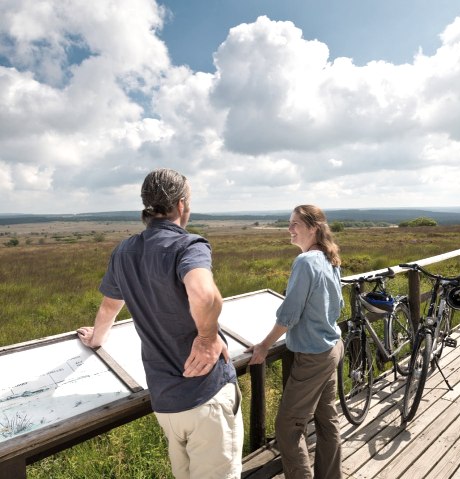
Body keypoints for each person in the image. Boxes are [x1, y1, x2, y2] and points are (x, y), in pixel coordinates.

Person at [77, 168, 243, 479]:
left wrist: (96, 339)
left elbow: (109, 307)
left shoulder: (123, 251)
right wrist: (207, 338)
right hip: (206, 394)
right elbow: (205, 296)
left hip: (166, 402)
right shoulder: (188, 246)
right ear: (181, 205)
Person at [246, 204, 344, 479]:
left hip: (313, 355)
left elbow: (289, 314)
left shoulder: (305, 262)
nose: (289, 229)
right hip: (332, 347)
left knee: (288, 428)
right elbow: (338, 305)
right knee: (327, 422)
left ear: (312, 227)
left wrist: (264, 345)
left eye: (294, 224)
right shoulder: (330, 258)